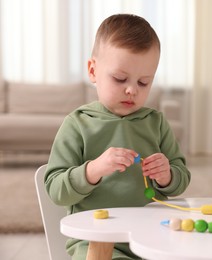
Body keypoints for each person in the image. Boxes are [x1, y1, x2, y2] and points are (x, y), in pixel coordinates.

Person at [45, 14, 191, 260]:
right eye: (120, 79)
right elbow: (56, 190)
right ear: (93, 70)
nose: (132, 89)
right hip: (97, 241)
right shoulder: (78, 124)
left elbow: (182, 178)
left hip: (154, 236)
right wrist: (93, 169)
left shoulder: (156, 123)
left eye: (144, 82)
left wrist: (168, 176)